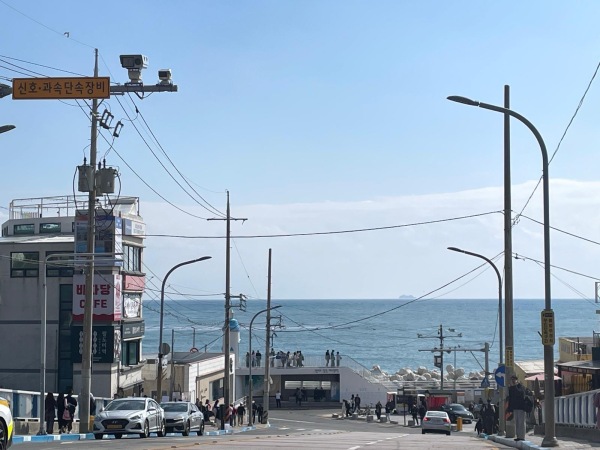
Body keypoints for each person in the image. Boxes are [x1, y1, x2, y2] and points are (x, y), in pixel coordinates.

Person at [507, 375, 527, 441]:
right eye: (512, 380)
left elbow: (520, 394)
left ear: (516, 380)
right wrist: (509, 408)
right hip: (515, 408)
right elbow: (510, 399)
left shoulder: (521, 387)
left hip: (521, 407)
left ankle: (522, 437)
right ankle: (518, 436)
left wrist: (515, 386)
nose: (513, 381)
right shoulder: (511, 388)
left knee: (521, 422)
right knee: (517, 422)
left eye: (514, 379)